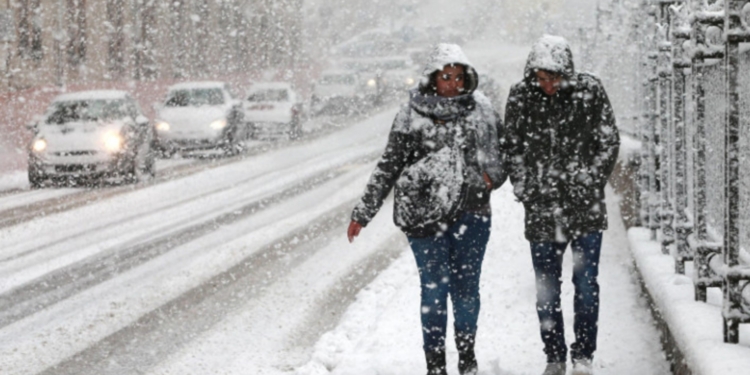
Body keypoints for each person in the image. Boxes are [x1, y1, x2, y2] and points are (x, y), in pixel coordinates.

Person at [347, 43, 506, 375]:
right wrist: (364, 212)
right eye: (446, 76)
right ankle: (435, 365)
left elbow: (502, 154)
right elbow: (389, 165)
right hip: (424, 218)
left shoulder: (482, 111)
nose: (453, 84)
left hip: (472, 215)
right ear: (433, 78)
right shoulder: (410, 114)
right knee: (434, 289)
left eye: (459, 77)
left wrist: (490, 179)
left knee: (466, 289)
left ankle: (467, 357)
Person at [502, 35, 620, 375]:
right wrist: (527, 188)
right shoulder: (522, 96)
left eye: (553, 77)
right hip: (542, 210)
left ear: (566, 71)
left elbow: (608, 140)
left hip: (586, 209)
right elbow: (512, 146)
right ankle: (554, 357)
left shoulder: (590, 91)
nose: (548, 85)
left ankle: (583, 355)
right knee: (546, 289)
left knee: (586, 285)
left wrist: (589, 180)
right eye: (540, 78)